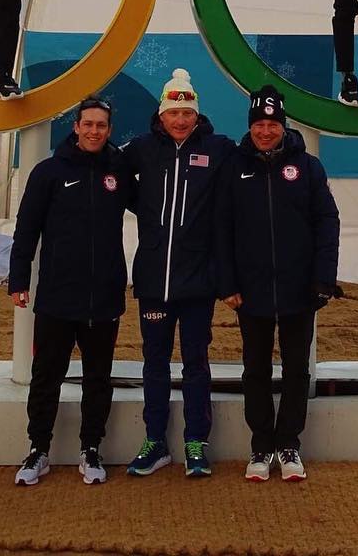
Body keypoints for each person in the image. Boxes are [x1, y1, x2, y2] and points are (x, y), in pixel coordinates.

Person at [215, 85, 341, 482]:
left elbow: (327, 223)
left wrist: (323, 278)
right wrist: (227, 282)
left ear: (283, 126)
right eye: (259, 124)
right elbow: (221, 230)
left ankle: (289, 444)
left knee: (295, 370)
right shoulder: (234, 167)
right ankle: (260, 446)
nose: (265, 131)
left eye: (272, 124)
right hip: (249, 292)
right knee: (254, 369)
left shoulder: (308, 167)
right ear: (250, 126)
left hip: (298, 291)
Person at [7, 96, 133, 486]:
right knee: (47, 375)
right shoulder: (48, 172)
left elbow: (155, 210)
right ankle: (37, 449)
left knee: (99, 377)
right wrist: (18, 279)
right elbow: (26, 229)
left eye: (102, 125)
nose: (94, 131)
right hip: (58, 297)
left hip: (104, 297)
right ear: (76, 127)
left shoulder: (119, 171)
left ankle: (90, 448)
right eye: (88, 124)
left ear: (110, 131)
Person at [118, 68, 235, 478]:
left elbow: (259, 152)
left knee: (196, 363)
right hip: (153, 280)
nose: (180, 121)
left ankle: (196, 443)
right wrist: (144, 207)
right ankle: (155, 442)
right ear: (162, 114)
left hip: (198, 281)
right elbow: (105, 164)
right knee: (154, 363)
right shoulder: (144, 149)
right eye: (173, 113)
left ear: (197, 115)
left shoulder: (218, 149)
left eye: (187, 114)